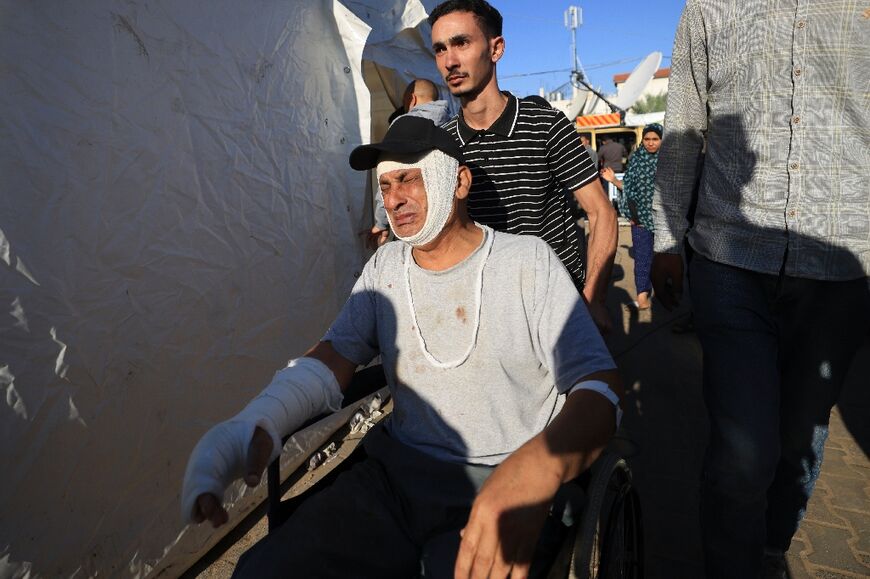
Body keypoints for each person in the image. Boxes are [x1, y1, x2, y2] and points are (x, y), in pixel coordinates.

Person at [181, 116, 623, 579]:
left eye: (408, 178)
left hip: (504, 480)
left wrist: (535, 470)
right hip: (397, 478)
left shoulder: (526, 262)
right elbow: (332, 358)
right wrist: (256, 420)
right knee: (264, 570)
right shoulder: (385, 268)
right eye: (386, 185)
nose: (393, 198)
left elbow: (601, 389)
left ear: (459, 181)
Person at [651, 1, 870, 577]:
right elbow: (682, 130)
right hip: (729, 260)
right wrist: (667, 242)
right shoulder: (708, 9)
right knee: (744, 453)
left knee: (802, 435)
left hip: (840, 263)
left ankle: (772, 548)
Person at [429, 0, 617, 334]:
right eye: (440, 49)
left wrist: (592, 300)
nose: (450, 60)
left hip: (555, 309)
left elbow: (601, 213)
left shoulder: (545, 125)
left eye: (461, 43)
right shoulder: (442, 145)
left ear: (496, 48)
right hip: (482, 317)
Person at [369, 79, 454, 249]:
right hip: (447, 221)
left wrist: (381, 223)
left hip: (413, 226)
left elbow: (389, 176)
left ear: (411, 100)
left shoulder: (403, 126)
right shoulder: (452, 124)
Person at [600, 123, 662, 310]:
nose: (651, 143)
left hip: (664, 221)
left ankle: (668, 293)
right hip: (639, 220)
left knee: (663, 259)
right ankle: (642, 298)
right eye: (647, 139)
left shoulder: (668, 161)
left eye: (655, 139)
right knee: (642, 260)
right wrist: (614, 181)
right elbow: (630, 189)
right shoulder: (636, 160)